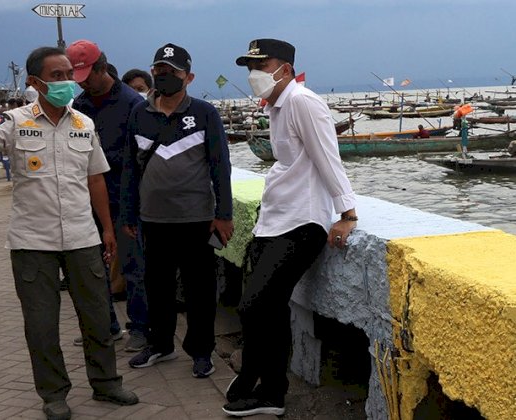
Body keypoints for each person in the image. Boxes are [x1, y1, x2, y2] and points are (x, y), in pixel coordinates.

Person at [0, 46, 139, 420]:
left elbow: (96, 177)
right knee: (41, 323)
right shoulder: (15, 121)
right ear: (35, 82)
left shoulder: (84, 123)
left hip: (84, 237)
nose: (67, 81)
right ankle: (53, 394)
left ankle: (107, 383)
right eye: (57, 76)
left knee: (97, 315)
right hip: (33, 241)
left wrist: (108, 230)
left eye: (69, 74)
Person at [223, 39, 358, 417]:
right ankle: (266, 388)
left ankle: (263, 384)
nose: (254, 75)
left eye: (260, 66)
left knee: (255, 305)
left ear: (284, 68)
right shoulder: (277, 106)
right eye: (250, 67)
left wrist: (347, 213)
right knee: (266, 306)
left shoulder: (303, 101)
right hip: (276, 219)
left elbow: (327, 157)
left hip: (302, 222)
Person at [121, 43, 234, 378]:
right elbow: (130, 168)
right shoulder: (139, 115)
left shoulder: (204, 113)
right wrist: (128, 214)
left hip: (197, 218)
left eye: (172, 71)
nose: (164, 76)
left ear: (189, 77)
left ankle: (202, 351)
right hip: (153, 220)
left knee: (200, 291)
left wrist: (224, 215)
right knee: (157, 286)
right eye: (159, 69)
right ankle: (160, 345)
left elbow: (220, 167)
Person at [67, 39, 149, 352]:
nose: (84, 83)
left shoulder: (133, 104)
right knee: (93, 268)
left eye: (88, 75)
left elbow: (140, 157)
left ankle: (140, 327)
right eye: (79, 78)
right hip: (88, 200)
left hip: (126, 199)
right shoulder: (80, 107)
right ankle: (107, 326)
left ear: (103, 67)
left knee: (133, 267)